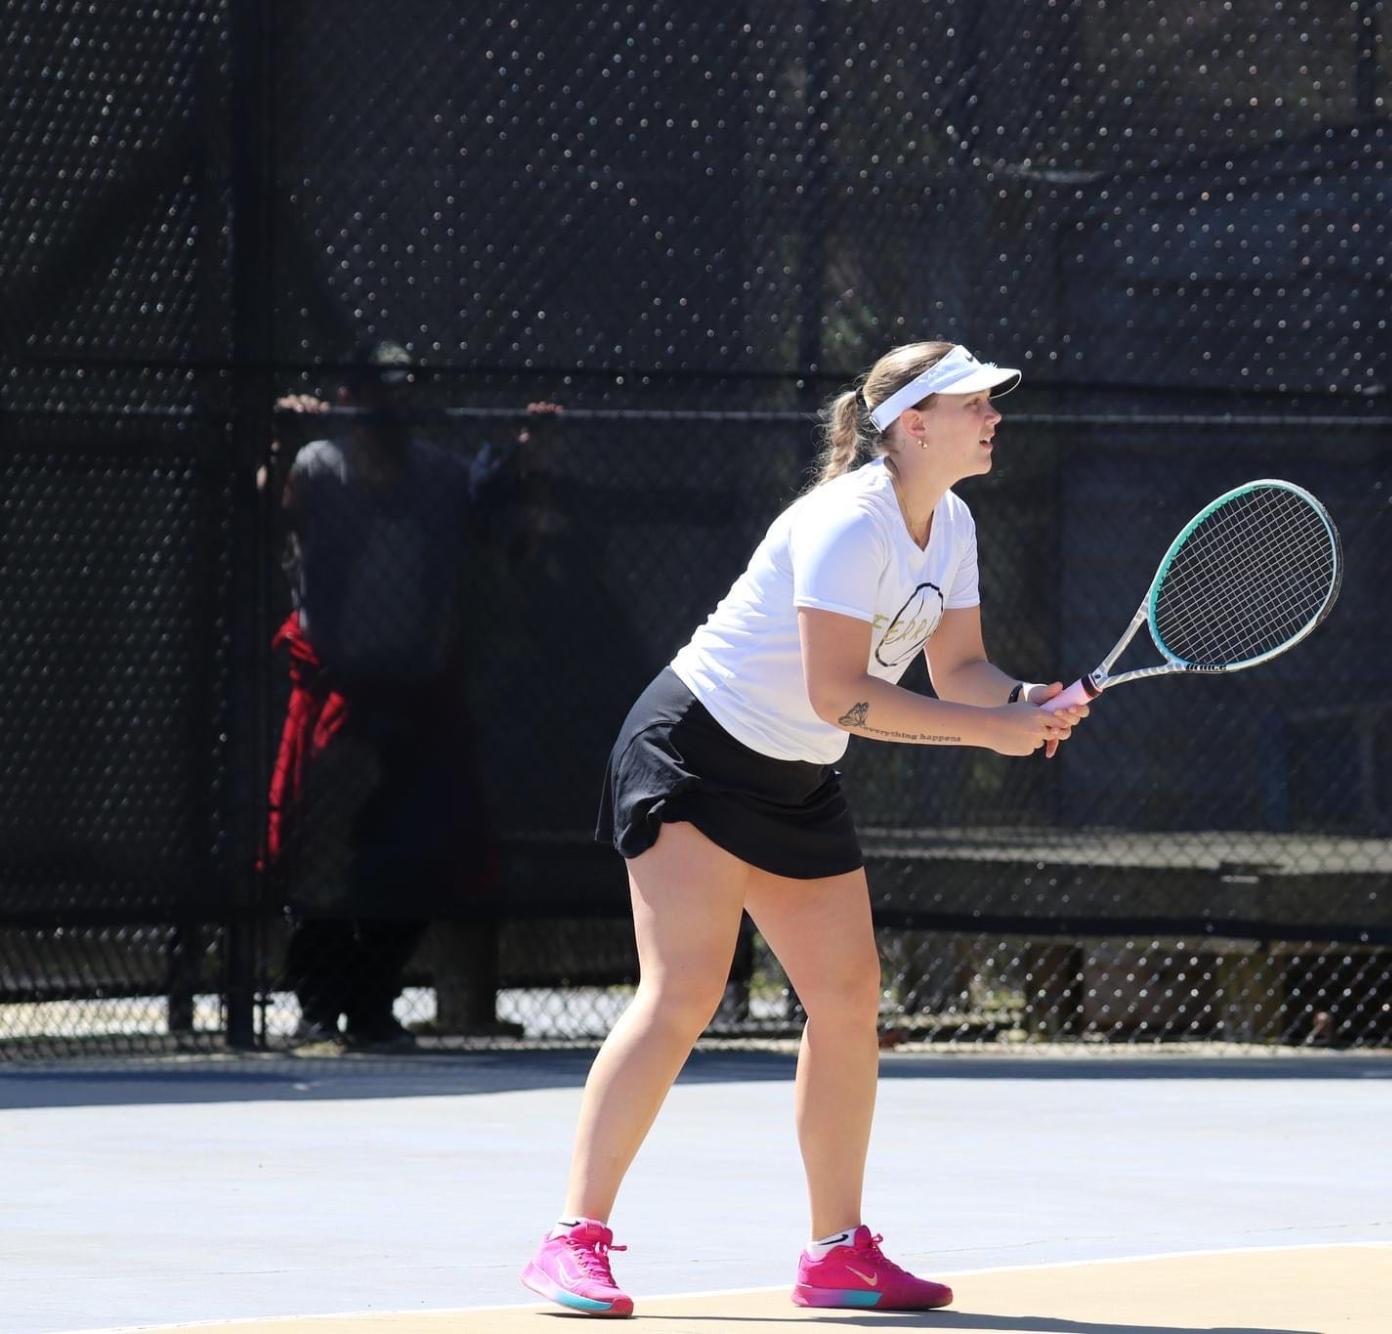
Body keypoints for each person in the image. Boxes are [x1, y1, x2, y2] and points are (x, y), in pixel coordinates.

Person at [519, 341, 1089, 1317]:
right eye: (974, 402)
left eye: (993, 401)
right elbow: (841, 690)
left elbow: (962, 675)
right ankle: (571, 1238)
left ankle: (836, 1253)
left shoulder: (950, 522)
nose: (995, 413)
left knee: (848, 995)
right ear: (914, 424)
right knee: (684, 991)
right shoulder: (842, 523)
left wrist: (1028, 700)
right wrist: (990, 733)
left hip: (797, 773)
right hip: (695, 749)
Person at [262, 341, 560, 1052]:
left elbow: (509, 542)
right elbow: (273, 515)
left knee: (418, 856)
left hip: (416, 695)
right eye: (371, 393)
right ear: (345, 399)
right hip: (338, 693)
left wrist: (527, 464)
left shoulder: (439, 475)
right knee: (322, 860)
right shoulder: (318, 468)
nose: (386, 408)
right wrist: (280, 443)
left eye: (397, 394)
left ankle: (372, 1003)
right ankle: (318, 1003)